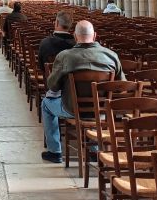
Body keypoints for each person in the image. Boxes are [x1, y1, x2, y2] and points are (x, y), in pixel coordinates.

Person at [41, 20, 124, 163]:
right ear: (95, 35)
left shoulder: (65, 56)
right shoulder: (111, 56)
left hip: (73, 109)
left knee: (46, 104)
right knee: (96, 109)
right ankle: (94, 150)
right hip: (102, 110)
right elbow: (121, 86)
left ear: (75, 36)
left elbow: (52, 86)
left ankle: (55, 152)